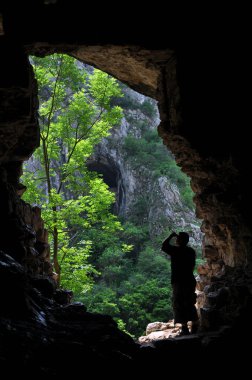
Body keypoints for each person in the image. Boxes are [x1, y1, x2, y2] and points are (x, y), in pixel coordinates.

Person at [161, 231, 199, 335]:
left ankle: (184, 328)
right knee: (189, 302)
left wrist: (170, 236)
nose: (176, 240)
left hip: (178, 281)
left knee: (179, 303)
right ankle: (195, 325)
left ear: (180, 240)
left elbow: (164, 246)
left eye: (178, 238)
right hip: (189, 280)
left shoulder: (176, 250)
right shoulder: (191, 251)